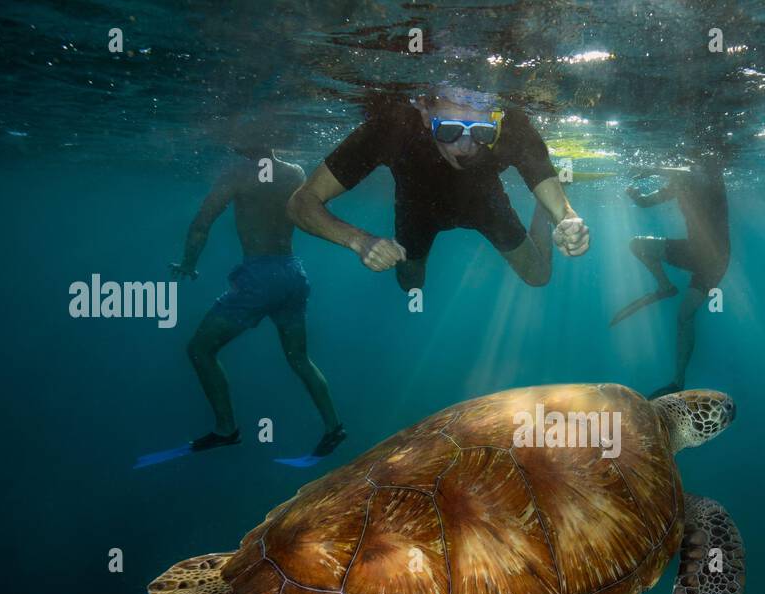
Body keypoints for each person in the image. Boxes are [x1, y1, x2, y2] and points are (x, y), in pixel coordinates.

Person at [286, 86, 589, 291]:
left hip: (485, 204)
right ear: (423, 111)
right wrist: (359, 241)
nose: (466, 146)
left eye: (481, 132)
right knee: (410, 285)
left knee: (539, 277)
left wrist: (566, 219)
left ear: (495, 118)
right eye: (448, 130)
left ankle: (541, 208)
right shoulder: (391, 127)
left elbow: (565, 212)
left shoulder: (513, 127)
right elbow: (301, 203)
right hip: (417, 209)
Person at [170, 142, 345, 460]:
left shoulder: (236, 174)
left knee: (200, 349)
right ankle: (334, 427)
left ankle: (226, 429)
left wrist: (188, 263)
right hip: (292, 273)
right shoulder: (294, 172)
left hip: (258, 279)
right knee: (299, 358)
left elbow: (202, 222)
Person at [612, 151, 730, 399]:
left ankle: (678, 381)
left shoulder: (709, 177)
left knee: (684, 316)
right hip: (692, 250)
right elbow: (646, 202)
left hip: (715, 258)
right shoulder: (680, 181)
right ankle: (665, 286)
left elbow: (690, 173)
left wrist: (652, 168)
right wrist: (634, 194)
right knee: (637, 245)